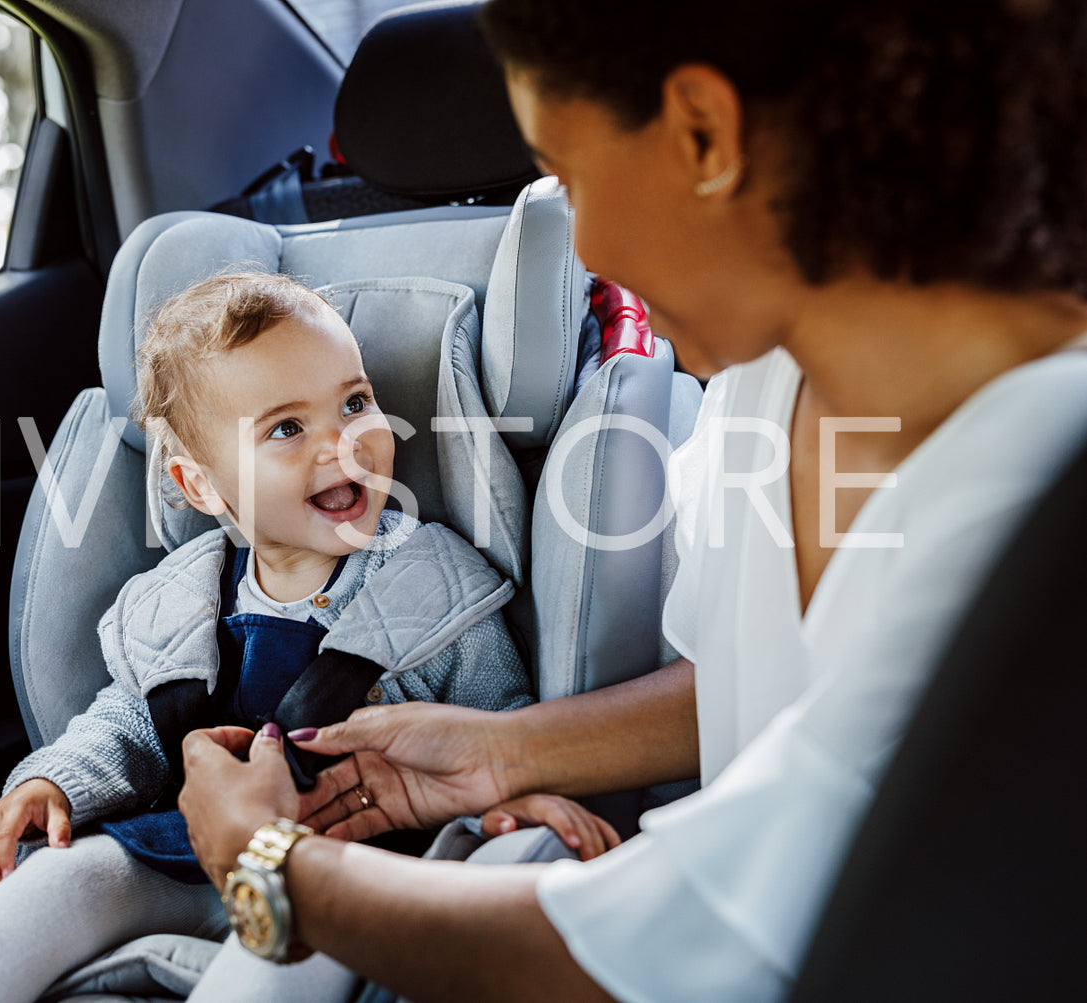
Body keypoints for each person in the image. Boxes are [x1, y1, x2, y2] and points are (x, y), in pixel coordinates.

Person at [176, 1, 1087, 1001]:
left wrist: (268, 865)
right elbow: (755, 686)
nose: (583, 243)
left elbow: (673, 949)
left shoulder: (1039, 496)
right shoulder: (759, 384)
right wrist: (498, 751)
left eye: (563, 174)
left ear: (701, 133)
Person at [0, 271, 614, 1003]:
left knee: (288, 945)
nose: (341, 442)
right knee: (59, 881)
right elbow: (128, 723)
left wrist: (517, 799)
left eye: (355, 402)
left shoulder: (434, 590)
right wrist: (54, 778)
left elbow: (495, 728)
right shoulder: (180, 600)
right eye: (286, 428)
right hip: (188, 846)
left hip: (353, 864)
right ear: (201, 486)